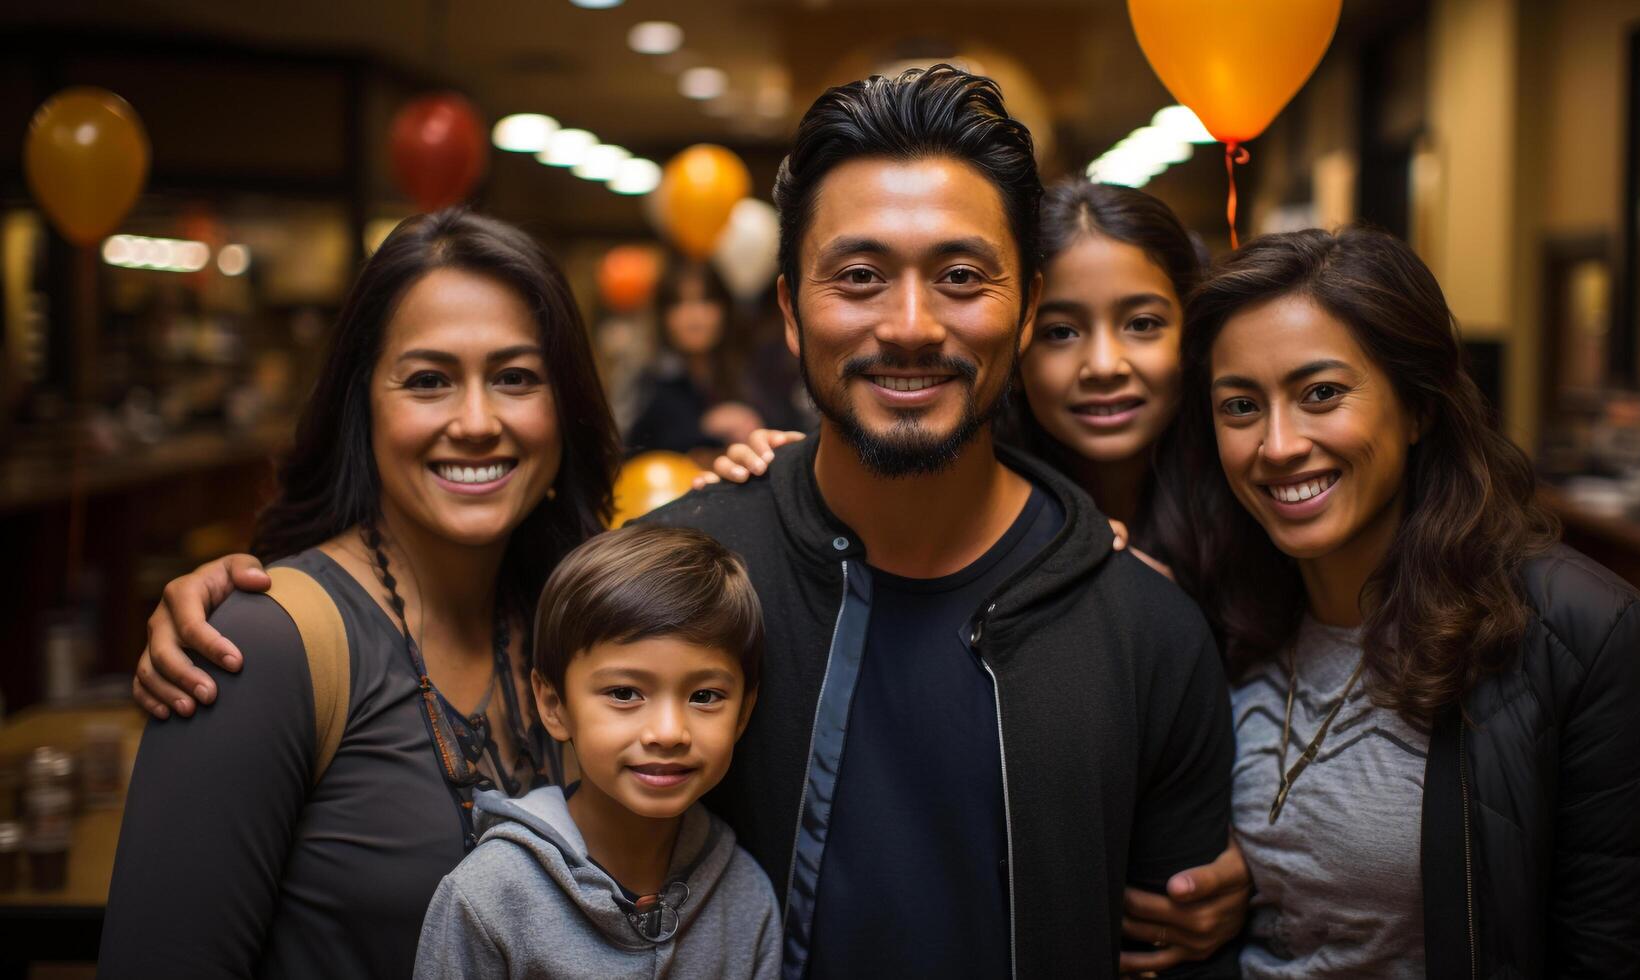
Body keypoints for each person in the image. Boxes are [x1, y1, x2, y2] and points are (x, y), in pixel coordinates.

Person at [130, 67, 1239, 979]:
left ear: (1026, 301)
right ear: (789, 307)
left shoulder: (1140, 625)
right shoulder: (695, 583)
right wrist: (243, 602)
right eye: (857, 276)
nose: (909, 325)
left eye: (959, 275)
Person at [699, 178, 1249, 974]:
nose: (1102, 364)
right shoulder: (971, 500)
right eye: (1062, 330)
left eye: (1142, 323)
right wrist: (784, 476)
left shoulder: (1241, 519)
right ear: (1025, 331)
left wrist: (1255, 873)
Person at [101, 209, 622, 979]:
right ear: (363, 407)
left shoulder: (567, 622)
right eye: (428, 381)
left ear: (564, 408)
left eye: (515, 378)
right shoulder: (261, 645)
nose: (477, 422)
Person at [1175, 226, 1640, 976]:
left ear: (1417, 407)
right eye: (1239, 407)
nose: (1278, 444)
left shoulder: (1587, 641)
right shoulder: (1220, 614)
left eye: (1320, 394)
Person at [414, 524, 781, 979]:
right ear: (554, 705)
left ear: (744, 712)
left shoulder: (747, 897)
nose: (668, 732)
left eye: (704, 696)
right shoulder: (490, 897)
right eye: (625, 693)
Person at [625, 258, 763, 459]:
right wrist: (706, 428)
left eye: (705, 301)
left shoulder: (754, 370)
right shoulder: (650, 379)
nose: (694, 316)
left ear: (724, 309)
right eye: (679, 303)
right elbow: (632, 451)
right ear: (663, 316)